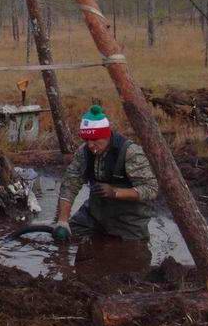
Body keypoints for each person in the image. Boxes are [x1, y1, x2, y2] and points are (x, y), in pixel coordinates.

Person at [52, 104, 159, 243]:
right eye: (86, 140)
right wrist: (62, 221)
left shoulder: (130, 153)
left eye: (95, 140)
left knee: (132, 256)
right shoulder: (84, 152)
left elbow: (151, 189)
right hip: (95, 214)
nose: (90, 145)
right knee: (67, 238)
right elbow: (70, 184)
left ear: (106, 136)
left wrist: (115, 192)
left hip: (130, 221)